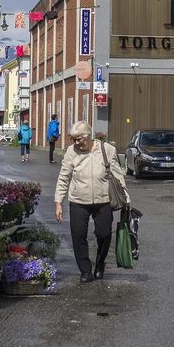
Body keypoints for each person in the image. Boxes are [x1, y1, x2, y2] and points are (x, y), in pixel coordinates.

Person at [54, 121, 127, 282]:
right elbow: (64, 177)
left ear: (89, 136)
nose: (76, 143)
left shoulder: (107, 149)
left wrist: (125, 197)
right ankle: (85, 271)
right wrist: (58, 202)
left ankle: (100, 263)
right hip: (78, 201)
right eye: (73, 139)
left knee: (104, 233)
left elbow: (117, 174)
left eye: (79, 139)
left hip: (103, 200)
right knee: (78, 235)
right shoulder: (71, 152)